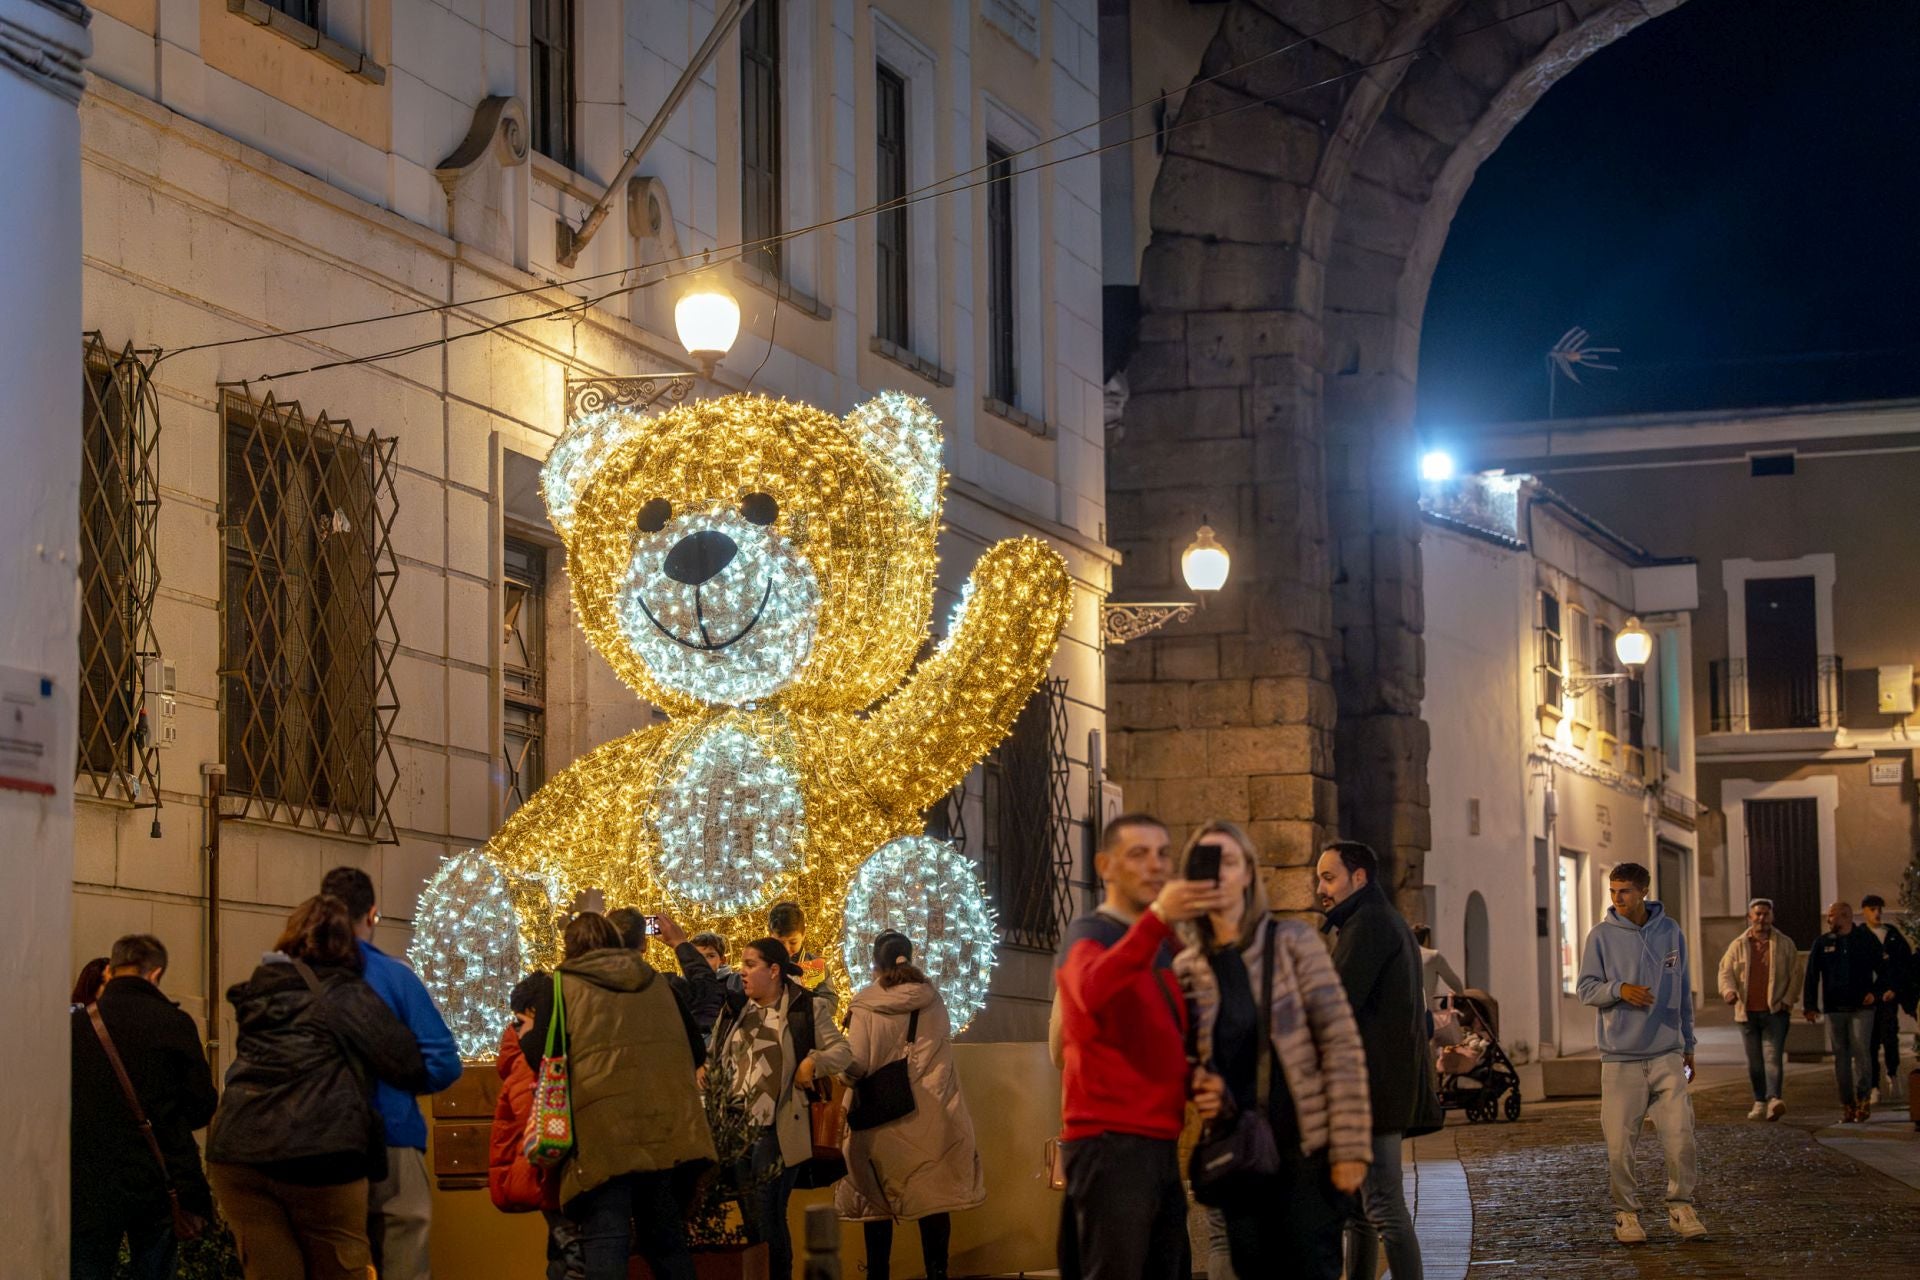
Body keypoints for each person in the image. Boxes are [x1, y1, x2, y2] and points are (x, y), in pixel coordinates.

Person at [1174, 823, 1370, 1280]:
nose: (1218, 873)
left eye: (1229, 861)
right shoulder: (1189, 967)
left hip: (1304, 1151)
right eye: (1206, 863)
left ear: (1247, 874)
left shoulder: (1292, 944)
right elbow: (1181, 1052)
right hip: (1241, 1155)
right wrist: (1196, 1082)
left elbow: (1339, 1043)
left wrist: (1351, 1148)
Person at [207, 894, 432, 1279]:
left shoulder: (261, 988)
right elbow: (409, 1064)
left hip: (238, 1150)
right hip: (322, 1151)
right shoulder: (351, 994)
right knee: (342, 1264)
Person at [1053, 812, 1226, 1280]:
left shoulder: (1165, 946)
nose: (1155, 865)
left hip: (1159, 1143)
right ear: (1105, 865)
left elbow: (1164, 1039)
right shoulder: (1091, 933)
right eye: (1139, 853)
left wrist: (1197, 1082)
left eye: (1163, 854)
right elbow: (1089, 994)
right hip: (1110, 1146)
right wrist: (1157, 921)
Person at [521, 912, 715, 1280]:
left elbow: (543, 1054)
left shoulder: (561, 986)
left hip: (602, 1133)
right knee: (666, 1243)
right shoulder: (657, 982)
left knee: (605, 1242)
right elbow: (697, 1049)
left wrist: (526, 1033)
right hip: (663, 1131)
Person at [319, 866, 462, 1280]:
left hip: (308, 1140)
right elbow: (442, 1062)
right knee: (403, 1250)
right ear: (372, 915)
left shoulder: (288, 973)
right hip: (390, 1135)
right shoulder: (392, 976)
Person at [836, 931, 984, 1280]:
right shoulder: (933, 1000)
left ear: (876, 963)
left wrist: (836, 1071)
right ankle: (937, 1271)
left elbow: (855, 1063)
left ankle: (878, 1273)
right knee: (931, 1195)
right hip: (929, 1114)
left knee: (877, 1202)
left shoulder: (865, 1004)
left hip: (879, 1116)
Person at [70, 934, 219, 1280]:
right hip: (155, 1180)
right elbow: (200, 1106)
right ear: (155, 973)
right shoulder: (174, 1024)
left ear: (112, 969)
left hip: (87, 1182)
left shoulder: (77, 1025)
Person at [1315, 840, 1428, 1278]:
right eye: (1319, 878)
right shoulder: (1374, 920)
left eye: (1329, 877)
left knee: (1382, 1207)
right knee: (1362, 1210)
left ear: (1358, 878)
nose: (1321, 888)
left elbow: (1337, 1005)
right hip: (1374, 1086)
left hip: (1373, 1090)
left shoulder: (1369, 925)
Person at [709, 936, 853, 1280]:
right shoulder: (735, 1008)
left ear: (774, 970)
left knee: (767, 1212)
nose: (741, 972)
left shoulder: (805, 1007)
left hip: (777, 1126)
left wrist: (812, 1063)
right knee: (751, 1217)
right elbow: (716, 1054)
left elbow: (843, 1052)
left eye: (750, 964)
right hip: (736, 1127)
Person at [1576, 862, 1705, 1244]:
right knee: (1619, 1144)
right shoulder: (1600, 936)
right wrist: (1619, 989)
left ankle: (1680, 1205)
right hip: (1620, 1058)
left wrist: (1689, 1044)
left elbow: (1681, 990)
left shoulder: (1670, 931)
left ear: (1643, 891)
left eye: (1625, 891)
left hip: (1666, 1053)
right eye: (1613, 891)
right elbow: (1586, 988)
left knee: (1681, 1136)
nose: (1617, 898)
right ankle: (1626, 1214)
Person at [488, 973, 580, 1280]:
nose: (519, 1030)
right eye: (518, 1023)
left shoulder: (523, 1056)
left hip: (544, 1177)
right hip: (549, 1174)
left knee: (561, 1255)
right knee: (573, 1259)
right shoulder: (530, 1058)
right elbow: (539, 1119)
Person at [1802, 900, 1891, 1122]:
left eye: (1832, 916)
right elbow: (1812, 976)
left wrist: (1876, 993)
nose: (1829, 919)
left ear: (1845, 916)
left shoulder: (1864, 940)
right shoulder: (1822, 943)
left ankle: (1863, 1099)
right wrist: (1810, 1006)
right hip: (1834, 1009)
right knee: (1840, 1058)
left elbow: (1883, 969)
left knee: (1862, 1052)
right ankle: (1847, 1103)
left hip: (1862, 1007)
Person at [1715, 897, 1797, 1120]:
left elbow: (1795, 973)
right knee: (1755, 1061)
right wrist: (1729, 991)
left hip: (1775, 1011)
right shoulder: (1739, 945)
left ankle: (1774, 1099)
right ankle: (1759, 1100)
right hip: (1746, 1012)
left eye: (1765, 914)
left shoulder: (1784, 944)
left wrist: (1787, 1001)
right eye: (1757, 914)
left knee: (1773, 1057)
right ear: (1750, 917)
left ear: (1772, 916)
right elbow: (1725, 972)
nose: (1761, 918)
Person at [607, 906, 727, 1031]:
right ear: (644, 944)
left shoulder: (587, 983)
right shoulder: (662, 986)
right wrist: (680, 943)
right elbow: (707, 998)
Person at [1859, 893, 1912, 1103]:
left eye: (1879, 909)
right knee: (1870, 1042)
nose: (1877, 913)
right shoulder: (1860, 935)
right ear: (1864, 911)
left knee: (1890, 1037)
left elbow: (1903, 964)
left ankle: (1893, 1073)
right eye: (1872, 909)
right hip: (1869, 999)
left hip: (1889, 997)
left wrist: (1895, 989)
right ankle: (1873, 1085)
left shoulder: (1892, 934)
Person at [768, 900, 838, 1011]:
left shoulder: (816, 966)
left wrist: (805, 1003)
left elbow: (831, 1003)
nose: (786, 949)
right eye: (780, 943)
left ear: (804, 935)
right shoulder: (760, 963)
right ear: (770, 936)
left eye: (793, 942)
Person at [1413, 925, 1466, 1006]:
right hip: (1422, 1011)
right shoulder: (1433, 956)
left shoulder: (1401, 956)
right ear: (1426, 939)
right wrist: (1460, 994)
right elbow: (1454, 982)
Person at [692, 931, 742, 1005]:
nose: (703, 962)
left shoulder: (735, 984)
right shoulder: (683, 985)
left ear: (722, 960)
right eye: (697, 956)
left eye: (710, 956)